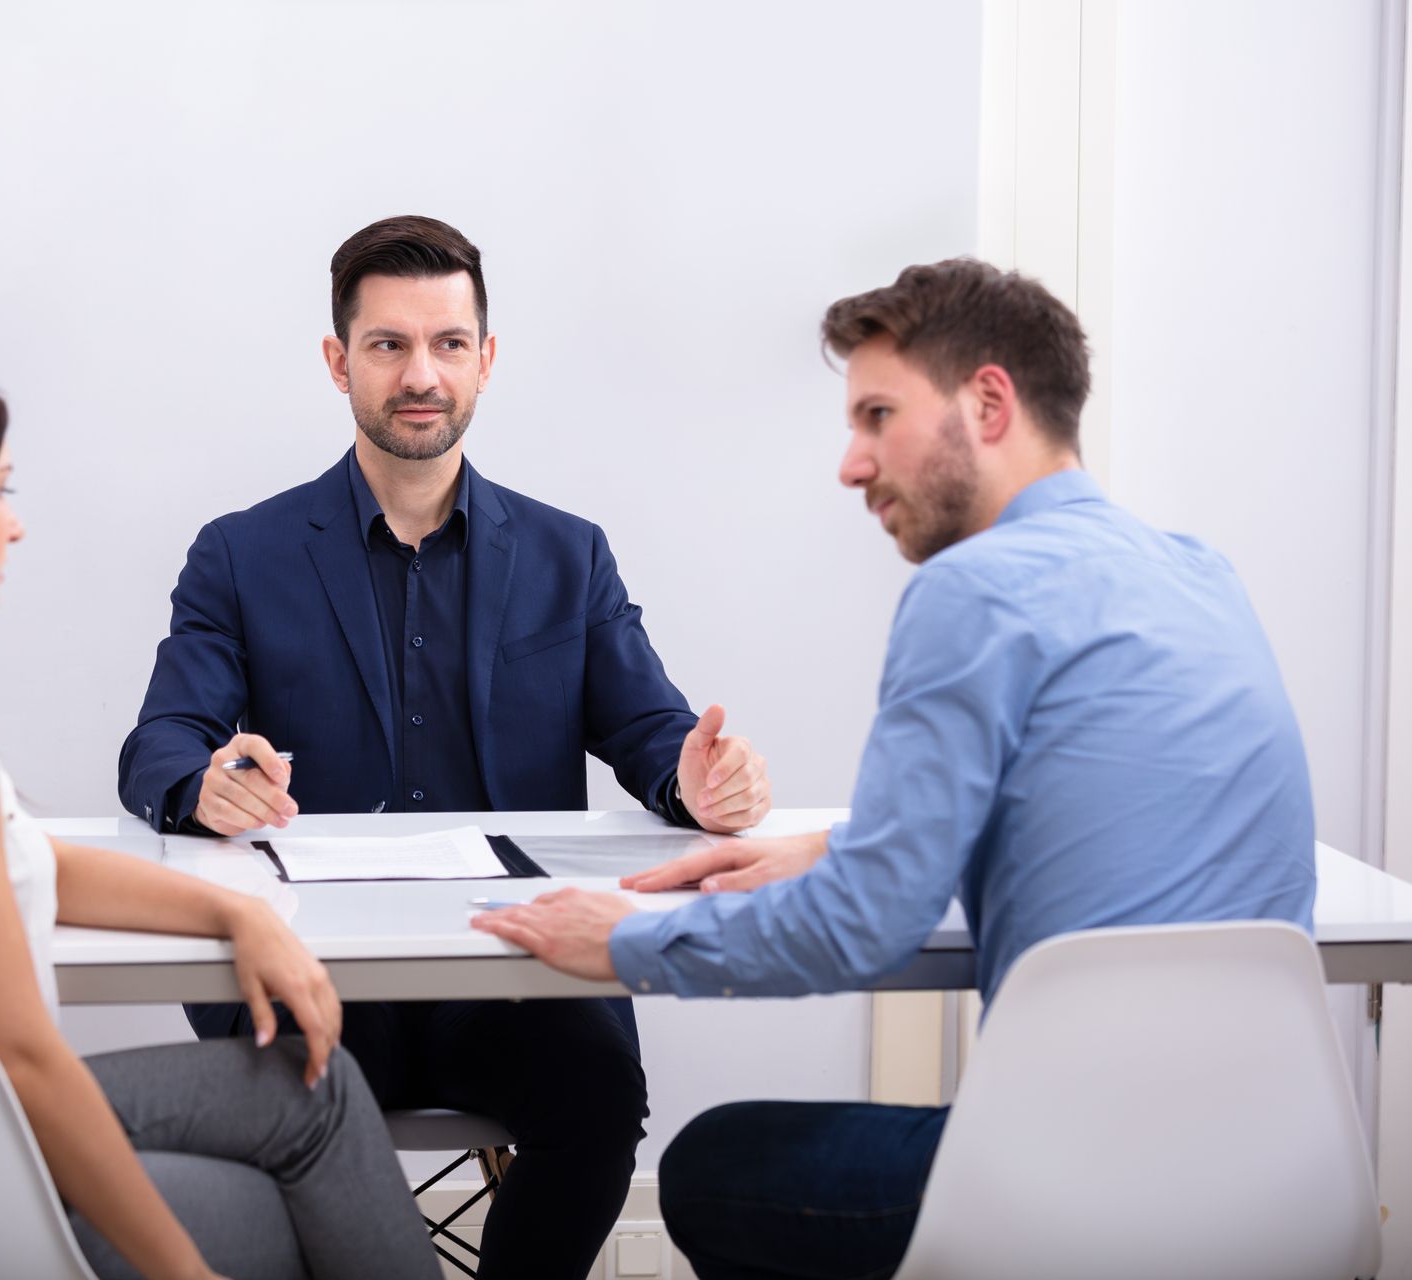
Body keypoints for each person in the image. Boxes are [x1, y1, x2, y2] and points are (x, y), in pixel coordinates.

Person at [470, 258, 1317, 1280]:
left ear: (989, 402)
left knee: (713, 1164)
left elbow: (863, 927)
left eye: (877, 415)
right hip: (1286, 1174)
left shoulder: (976, 589)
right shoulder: (1196, 571)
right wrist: (843, 845)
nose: (852, 463)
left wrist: (631, 939)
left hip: (1075, 1184)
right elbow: (1098, 794)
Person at [119, 215, 773, 1279]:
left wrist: (693, 779)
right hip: (306, 968)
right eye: (388, 344)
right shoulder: (242, 553)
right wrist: (204, 784)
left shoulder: (569, 553)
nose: (421, 373)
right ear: (340, 362)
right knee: (276, 1122)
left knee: (599, 1091)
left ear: (486, 358)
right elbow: (160, 745)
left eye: (448, 343)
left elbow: (653, 727)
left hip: (510, 973)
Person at [0, 350, 439, 1280]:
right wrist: (182, 1273)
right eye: (1, 486)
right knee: (302, 1170)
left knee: (308, 1089)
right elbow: (22, 1060)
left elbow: (24, 861)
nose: (16, 525)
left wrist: (236, 913)